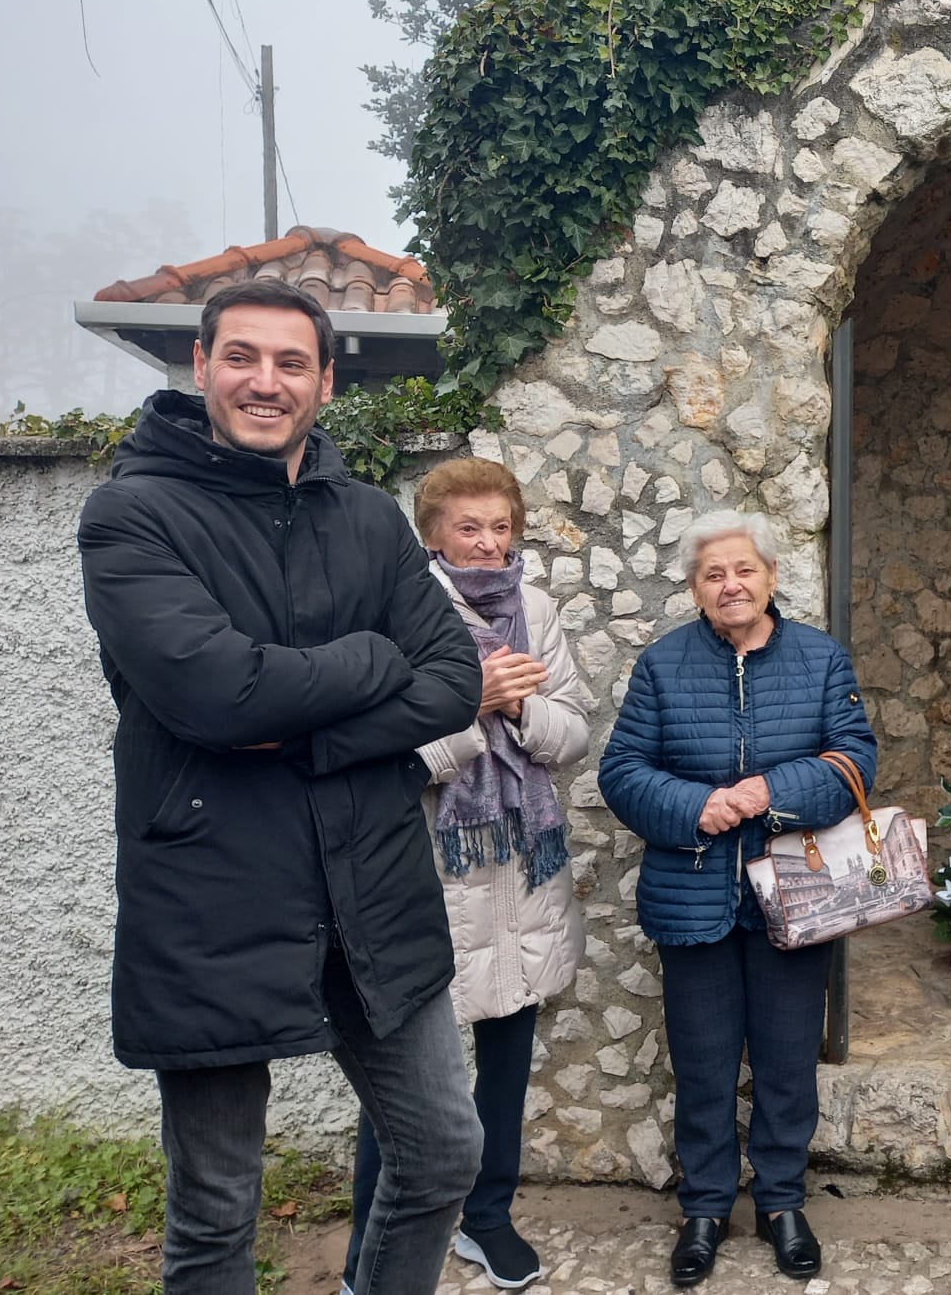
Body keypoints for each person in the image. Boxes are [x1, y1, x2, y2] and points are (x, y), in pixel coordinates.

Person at [76, 279, 486, 1295]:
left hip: (374, 887)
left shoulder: (371, 519)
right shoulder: (132, 515)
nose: (267, 382)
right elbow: (218, 695)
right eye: (244, 357)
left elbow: (451, 682)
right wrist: (365, 662)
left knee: (442, 1154)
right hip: (211, 896)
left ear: (326, 381)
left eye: (291, 363)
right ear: (203, 364)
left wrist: (305, 736)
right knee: (216, 1212)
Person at [598, 511, 875, 1288]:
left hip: (798, 895)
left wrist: (766, 791)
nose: (731, 585)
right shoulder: (661, 665)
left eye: (744, 570)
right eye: (714, 574)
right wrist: (696, 807)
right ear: (695, 588)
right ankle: (706, 1208)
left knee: (788, 1062)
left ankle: (783, 1202)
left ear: (772, 578)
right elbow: (622, 772)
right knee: (704, 1064)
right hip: (695, 898)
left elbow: (857, 760)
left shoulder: (821, 659)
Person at [341, 459, 596, 1292]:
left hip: (522, 870)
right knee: (406, 1083)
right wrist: (473, 703)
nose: (487, 544)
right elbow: (388, 749)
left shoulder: (540, 611)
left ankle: (487, 1219)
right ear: (432, 533)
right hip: (429, 875)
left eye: (500, 526)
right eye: (467, 527)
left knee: (509, 1054)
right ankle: (370, 1255)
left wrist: (522, 708)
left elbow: (572, 737)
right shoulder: (398, 613)